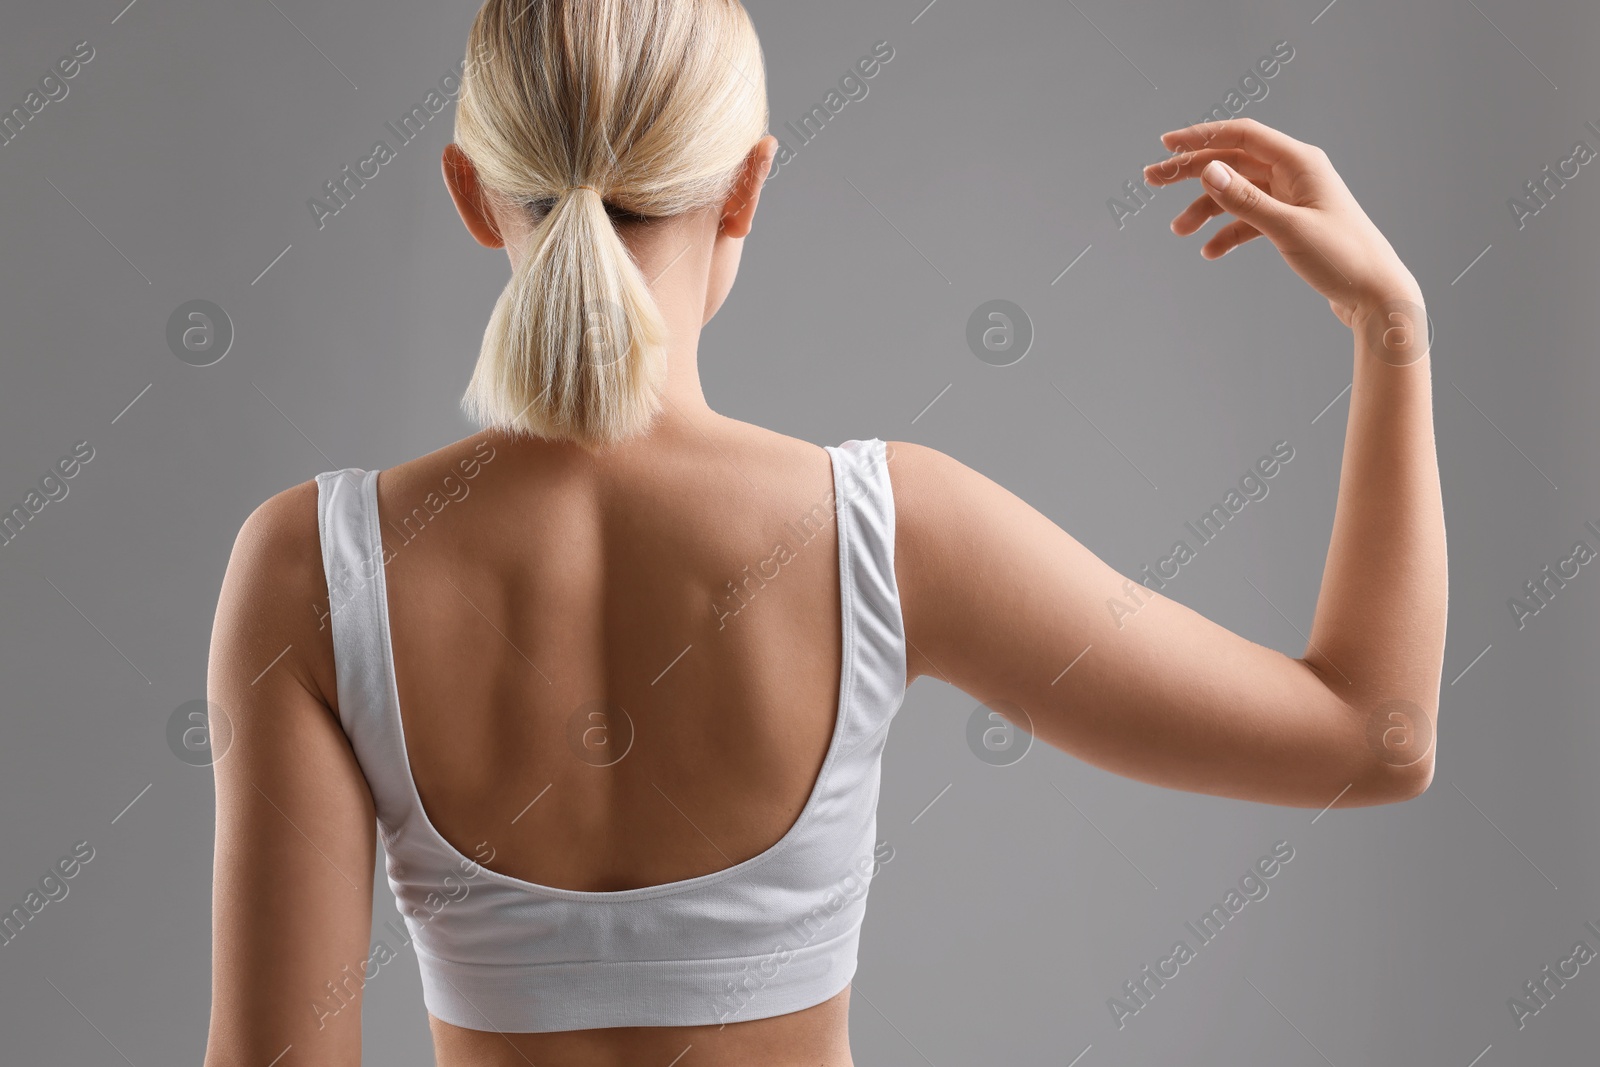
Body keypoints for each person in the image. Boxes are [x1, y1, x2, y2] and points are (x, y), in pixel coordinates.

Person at [203, 1, 1445, 1064]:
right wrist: (1390, 327)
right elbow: (1369, 736)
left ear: (472, 194)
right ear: (746, 184)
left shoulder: (312, 568)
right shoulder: (885, 532)